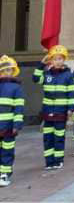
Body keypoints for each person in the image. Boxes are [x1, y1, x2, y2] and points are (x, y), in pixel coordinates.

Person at [33, 45, 74, 170]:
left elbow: (71, 93)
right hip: (47, 112)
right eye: (55, 59)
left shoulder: (68, 75)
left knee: (59, 137)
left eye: (60, 59)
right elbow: (35, 79)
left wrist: (71, 108)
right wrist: (41, 64)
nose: (58, 61)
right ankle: (49, 161)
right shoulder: (46, 74)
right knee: (48, 137)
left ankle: (58, 160)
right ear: (51, 60)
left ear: (64, 60)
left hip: (61, 112)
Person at [0, 55, 23, 187]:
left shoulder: (16, 88)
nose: (6, 73)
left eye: (9, 70)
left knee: (7, 151)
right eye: (3, 70)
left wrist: (17, 125)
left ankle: (4, 174)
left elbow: (18, 108)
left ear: (13, 71)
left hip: (8, 127)